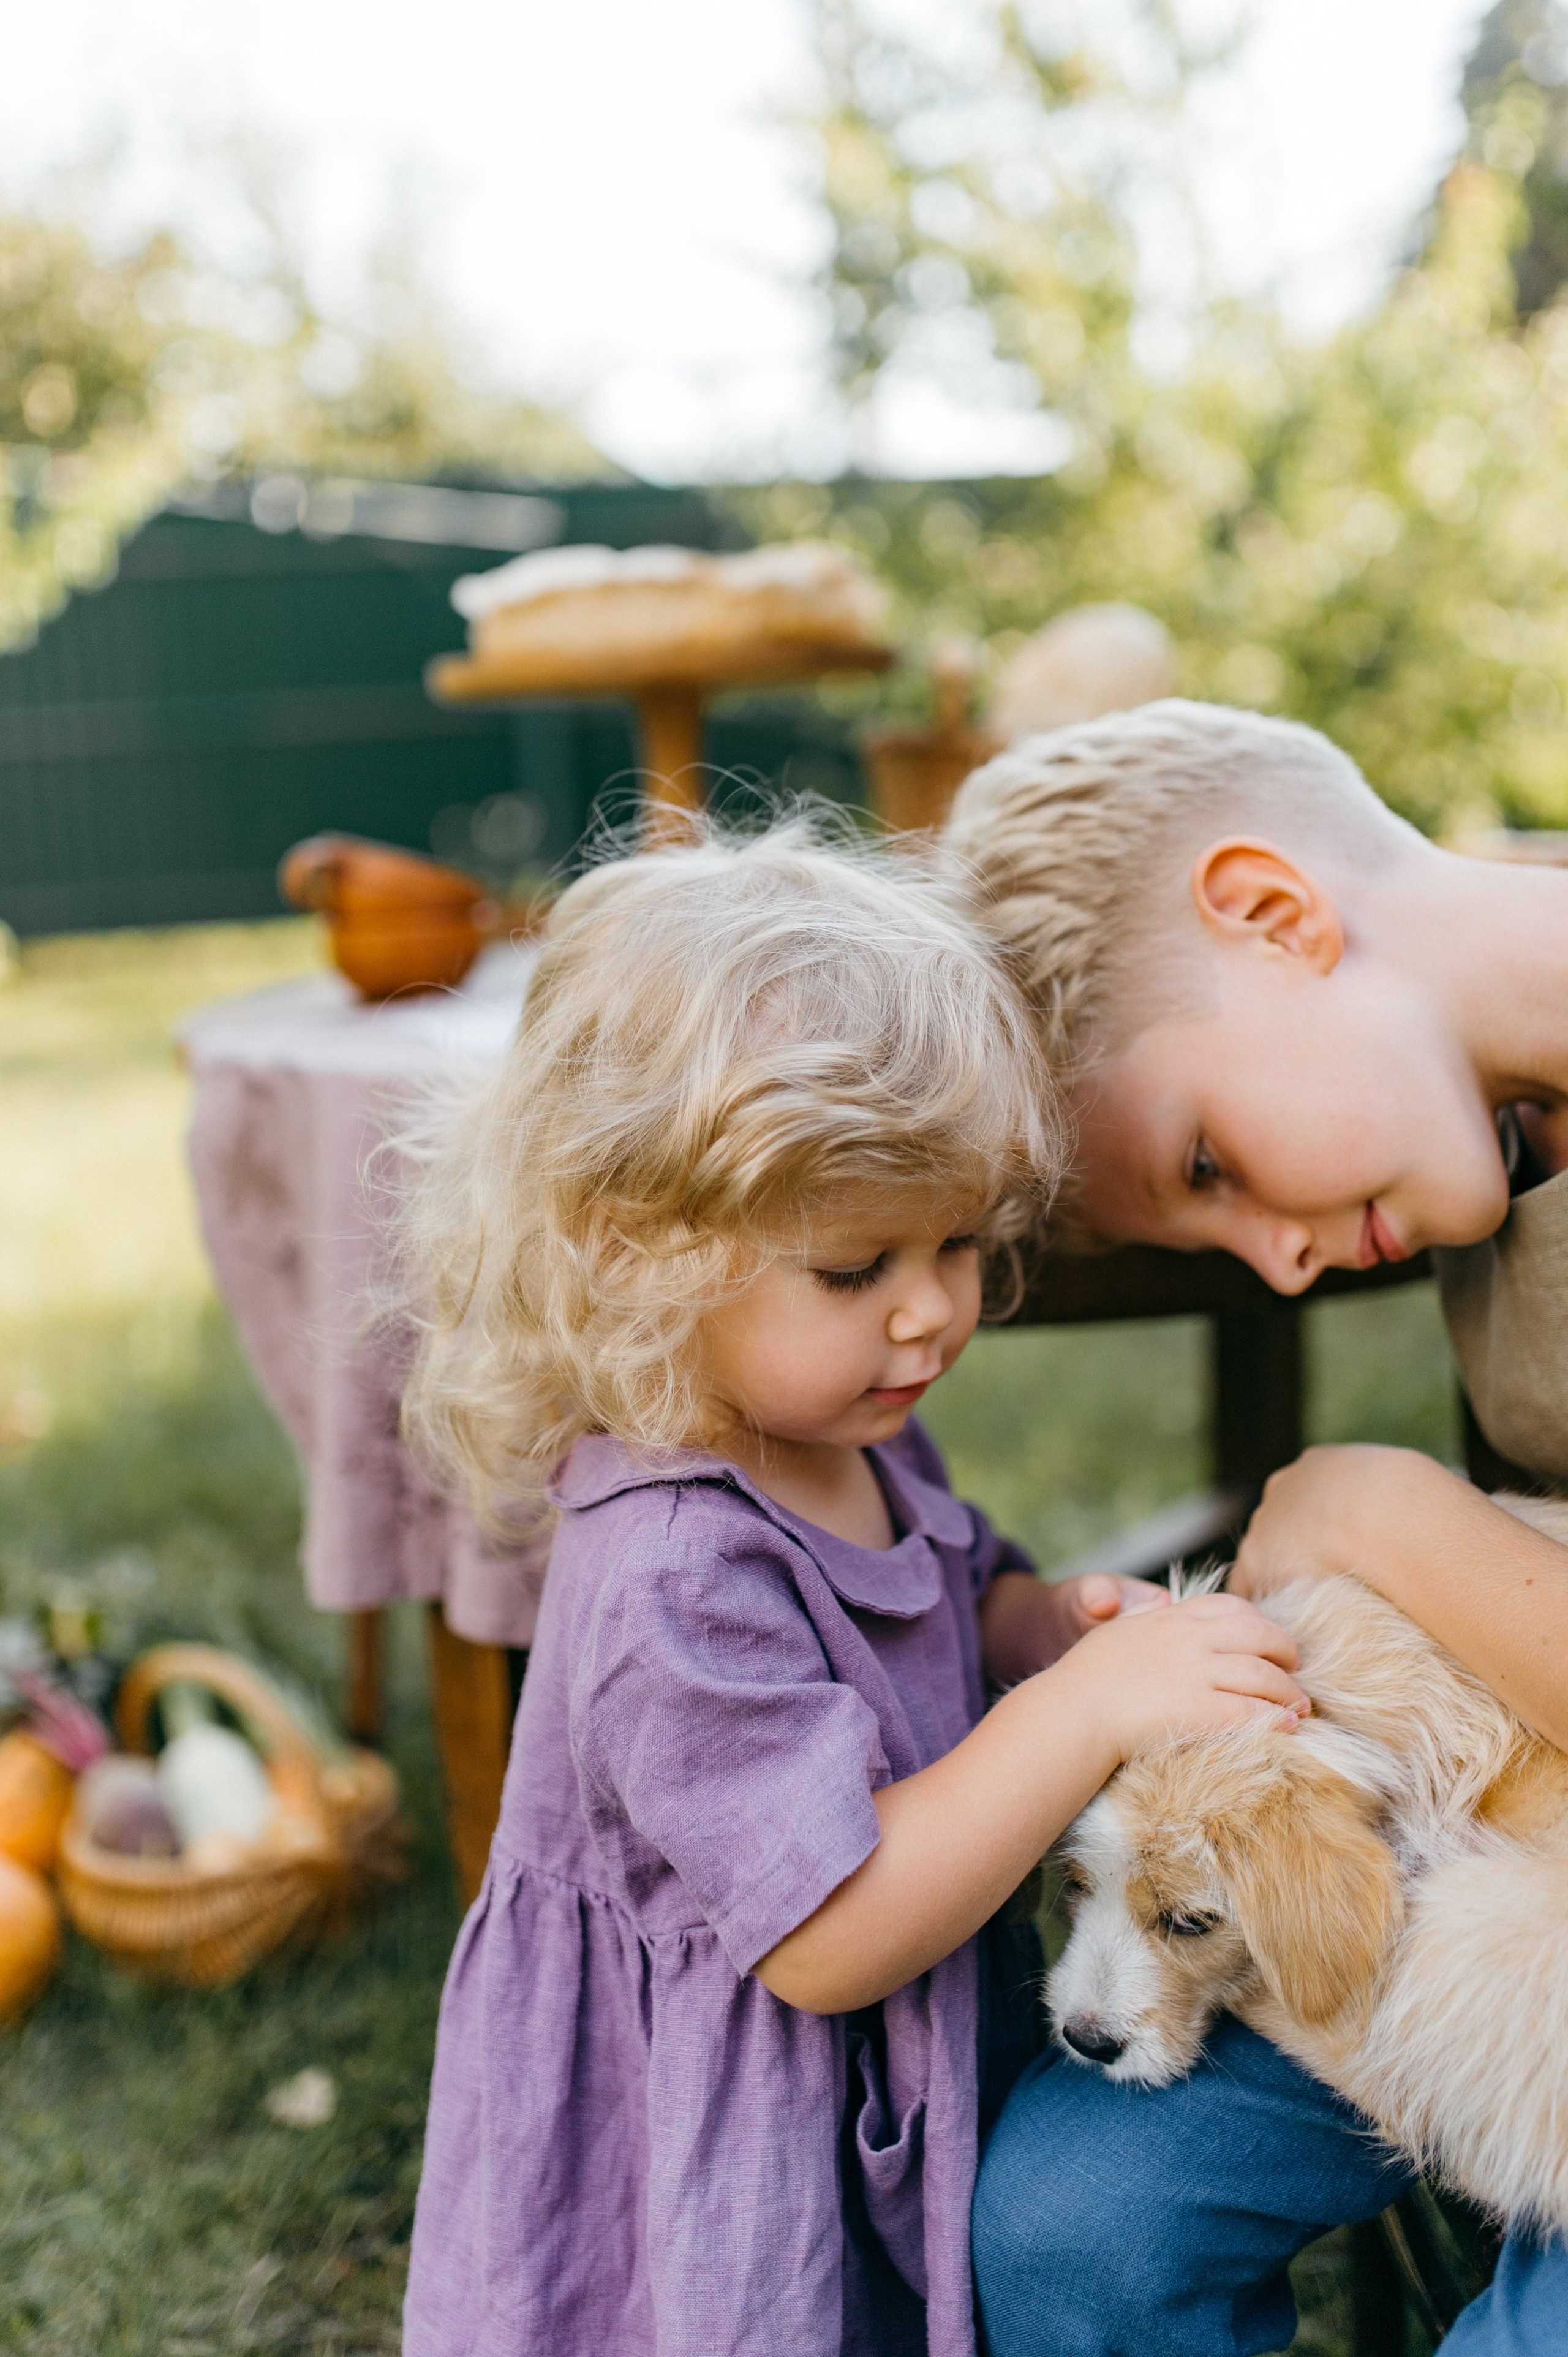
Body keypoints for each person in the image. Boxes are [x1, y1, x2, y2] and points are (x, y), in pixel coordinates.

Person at [396, 815, 1309, 2357]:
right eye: (853, 1268)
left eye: (956, 1242)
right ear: (636, 1251)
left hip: (850, 2078)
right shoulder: (672, 1568)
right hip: (715, 2121)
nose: (930, 1312)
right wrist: (1078, 1714)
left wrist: (1039, 1629)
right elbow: (826, 1934)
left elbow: (940, 1598)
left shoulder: (843, 1425)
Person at [946, 700, 1568, 2357]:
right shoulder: (1494, 1121)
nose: (1278, 1261)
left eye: (1208, 1160)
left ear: (1275, 913)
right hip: (1468, 1857)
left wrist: (1388, 1514)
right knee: (1076, 2227)